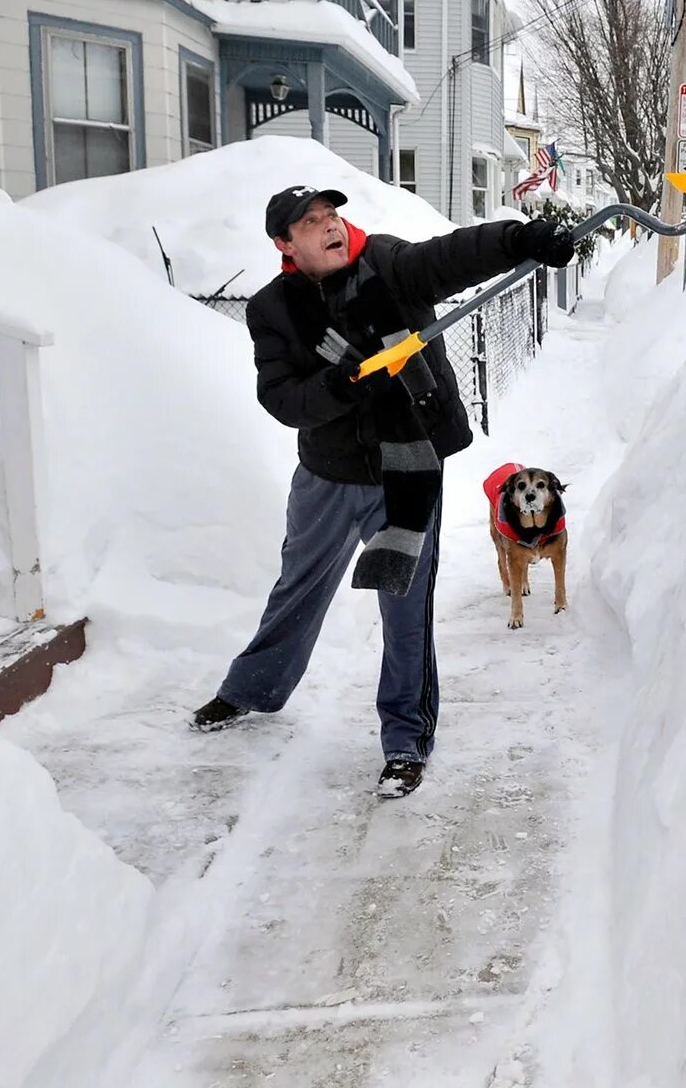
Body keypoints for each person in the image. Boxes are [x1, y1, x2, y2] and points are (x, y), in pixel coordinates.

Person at [189, 185, 577, 798]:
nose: (330, 227)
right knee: (299, 586)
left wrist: (521, 239)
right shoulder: (274, 309)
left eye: (332, 215)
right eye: (311, 223)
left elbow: (455, 254)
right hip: (329, 474)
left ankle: (405, 739)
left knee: (407, 610)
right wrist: (340, 383)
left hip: (409, 469)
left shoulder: (391, 267)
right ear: (286, 245)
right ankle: (253, 690)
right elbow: (282, 397)